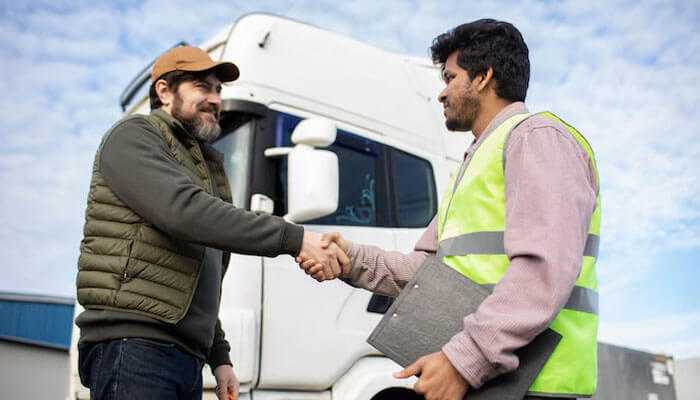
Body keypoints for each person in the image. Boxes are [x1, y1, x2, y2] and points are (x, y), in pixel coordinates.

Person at [300, 19, 601, 400]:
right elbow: (424, 274)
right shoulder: (473, 165)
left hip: (533, 384)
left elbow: (545, 270)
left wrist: (463, 360)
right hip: (488, 377)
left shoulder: (538, 138)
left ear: (483, 77)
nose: (441, 94)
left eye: (450, 77)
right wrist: (349, 258)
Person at [75, 45, 348, 400]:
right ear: (163, 90)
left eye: (219, 90)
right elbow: (184, 211)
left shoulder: (202, 165)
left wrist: (219, 356)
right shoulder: (134, 135)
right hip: (137, 344)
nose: (215, 99)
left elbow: (197, 275)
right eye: (203, 87)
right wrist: (296, 239)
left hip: (180, 354)